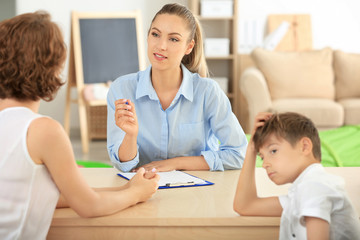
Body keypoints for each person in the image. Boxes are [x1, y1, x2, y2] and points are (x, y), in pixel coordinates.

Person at [0, 11, 159, 240]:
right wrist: (135, 194)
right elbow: (88, 205)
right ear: (51, 68)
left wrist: (126, 189)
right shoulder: (44, 131)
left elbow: (54, 194)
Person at [107, 3, 247, 173]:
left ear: (189, 47)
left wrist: (176, 163)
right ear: (148, 36)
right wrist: (130, 135)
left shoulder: (208, 92)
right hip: (142, 191)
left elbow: (238, 153)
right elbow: (123, 165)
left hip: (198, 191)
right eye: (155, 34)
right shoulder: (122, 89)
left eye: (173, 39)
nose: (161, 46)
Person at [233, 112, 360, 239]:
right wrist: (252, 148)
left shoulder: (315, 187)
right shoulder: (301, 193)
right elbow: (245, 206)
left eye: (273, 151)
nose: (265, 164)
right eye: (262, 157)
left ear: (304, 146)